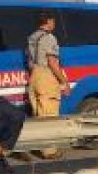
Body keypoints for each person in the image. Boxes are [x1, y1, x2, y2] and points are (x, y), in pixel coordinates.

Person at [26, 11, 70, 158]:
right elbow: (52, 62)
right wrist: (64, 82)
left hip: (33, 75)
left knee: (38, 114)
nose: (54, 24)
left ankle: (38, 146)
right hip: (46, 75)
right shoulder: (49, 38)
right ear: (49, 21)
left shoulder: (32, 37)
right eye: (53, 21)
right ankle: (49, 151)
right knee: (49, 115)